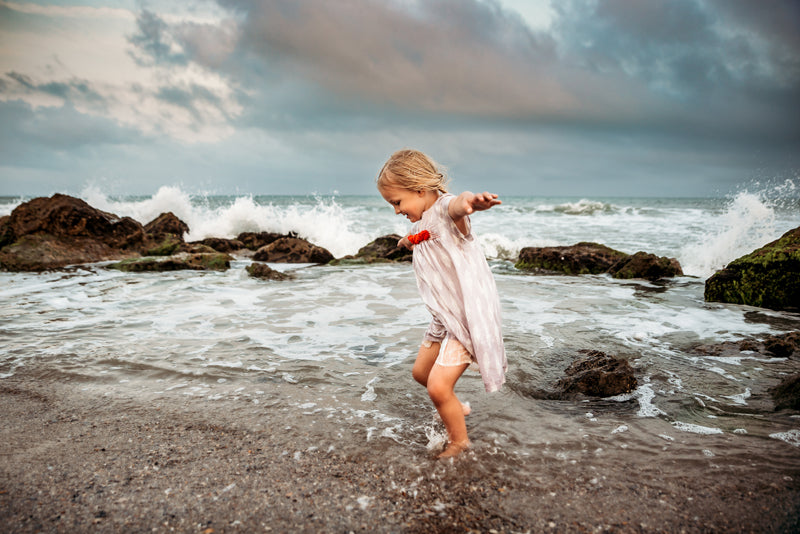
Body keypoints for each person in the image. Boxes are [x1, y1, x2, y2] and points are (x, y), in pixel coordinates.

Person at [376, 149, 507, 458]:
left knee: (437, 387)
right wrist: (406, 241)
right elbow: (422, 235)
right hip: (443, 317)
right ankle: (456, 407)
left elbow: (458, 204)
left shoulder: (448, 208)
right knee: (421, 374)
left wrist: (472, 202)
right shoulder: (422, 219)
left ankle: (460, 442)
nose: (396, 211)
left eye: (397, 202)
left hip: (465, 316)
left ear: (421, 189)